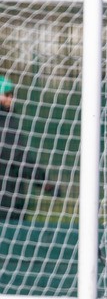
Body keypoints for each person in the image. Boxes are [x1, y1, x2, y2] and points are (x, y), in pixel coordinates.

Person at [0, 76, 60, 223]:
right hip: (6, 205)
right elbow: (18, 157)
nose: (11, 99)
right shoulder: (4, 122)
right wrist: (44, 182)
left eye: (12, 95)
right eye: (6, 95)